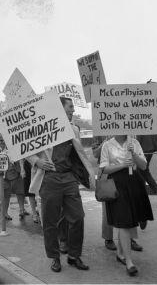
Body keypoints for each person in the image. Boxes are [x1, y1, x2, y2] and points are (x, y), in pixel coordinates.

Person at [27, 97, 96, 273]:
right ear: (60, 108)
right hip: (49, 178)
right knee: (50, 221)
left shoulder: (74, 129)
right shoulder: (42, 127)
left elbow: (78, 153)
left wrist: (86, 173)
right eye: (70, 107)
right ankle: (55, 257)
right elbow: (25, 149)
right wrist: (37, 161)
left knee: (78, 217)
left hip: (69, 178)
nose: (73, 110)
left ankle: (74, 256)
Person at [100, 135, 154, 277]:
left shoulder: (134, 142)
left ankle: (120, 253)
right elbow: (104, 168)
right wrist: (123, 165)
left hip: (134, 183)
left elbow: (143, 165)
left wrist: (134, 154)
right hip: (117, 185)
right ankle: (129, 262)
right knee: (124, 221)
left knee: (130, 220)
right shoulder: (107, 145)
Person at [92, 136, 143, 252]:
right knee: (107, 208)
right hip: (108, 173)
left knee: (130, 208)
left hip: (127, 174)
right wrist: (106, 142)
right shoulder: (100, 133)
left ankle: (130, 238)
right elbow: (95, 154)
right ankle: (108, 238)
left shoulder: (129, 134)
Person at [0, 134, 26, 220]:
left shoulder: (9, 151)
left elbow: (13, 161)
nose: (3, 142)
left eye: (4, 140)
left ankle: (5, 213)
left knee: (6, 195)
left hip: (6, 176)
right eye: (1, 140)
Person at [136, 134, 157, 203]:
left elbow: (139, 137)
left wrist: (135, 148)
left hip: (144, 148)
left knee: (142, 170)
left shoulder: (141, 124)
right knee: (143, 171)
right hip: (149, 148)